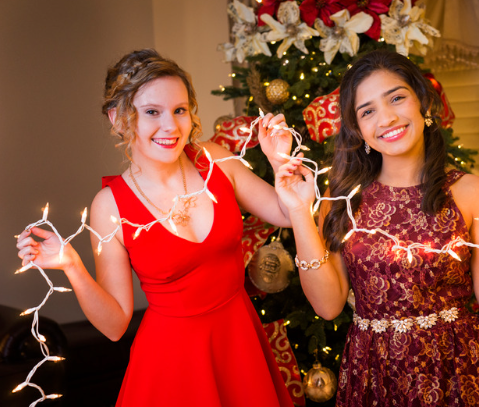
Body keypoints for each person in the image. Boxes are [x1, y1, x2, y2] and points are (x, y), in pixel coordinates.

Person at [275, 49, 479, 406]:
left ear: (422, 101)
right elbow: (328, 306)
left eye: (396, 98)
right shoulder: (343, 197)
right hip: (372, 372)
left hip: (457, 371)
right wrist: (298, 210)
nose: (387, 118)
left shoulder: (471, 192)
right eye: (368, 111)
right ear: (358, 129)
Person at [16, 49, 294, 407]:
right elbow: (115, 325)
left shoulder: (214, 160)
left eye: (180, 110)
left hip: (239, 340)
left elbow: (289, 213)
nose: (171, 127)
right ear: (118, 119)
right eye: (152, 112)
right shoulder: (109, 206)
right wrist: (71, 264)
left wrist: (279, 160)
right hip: (171, 361)